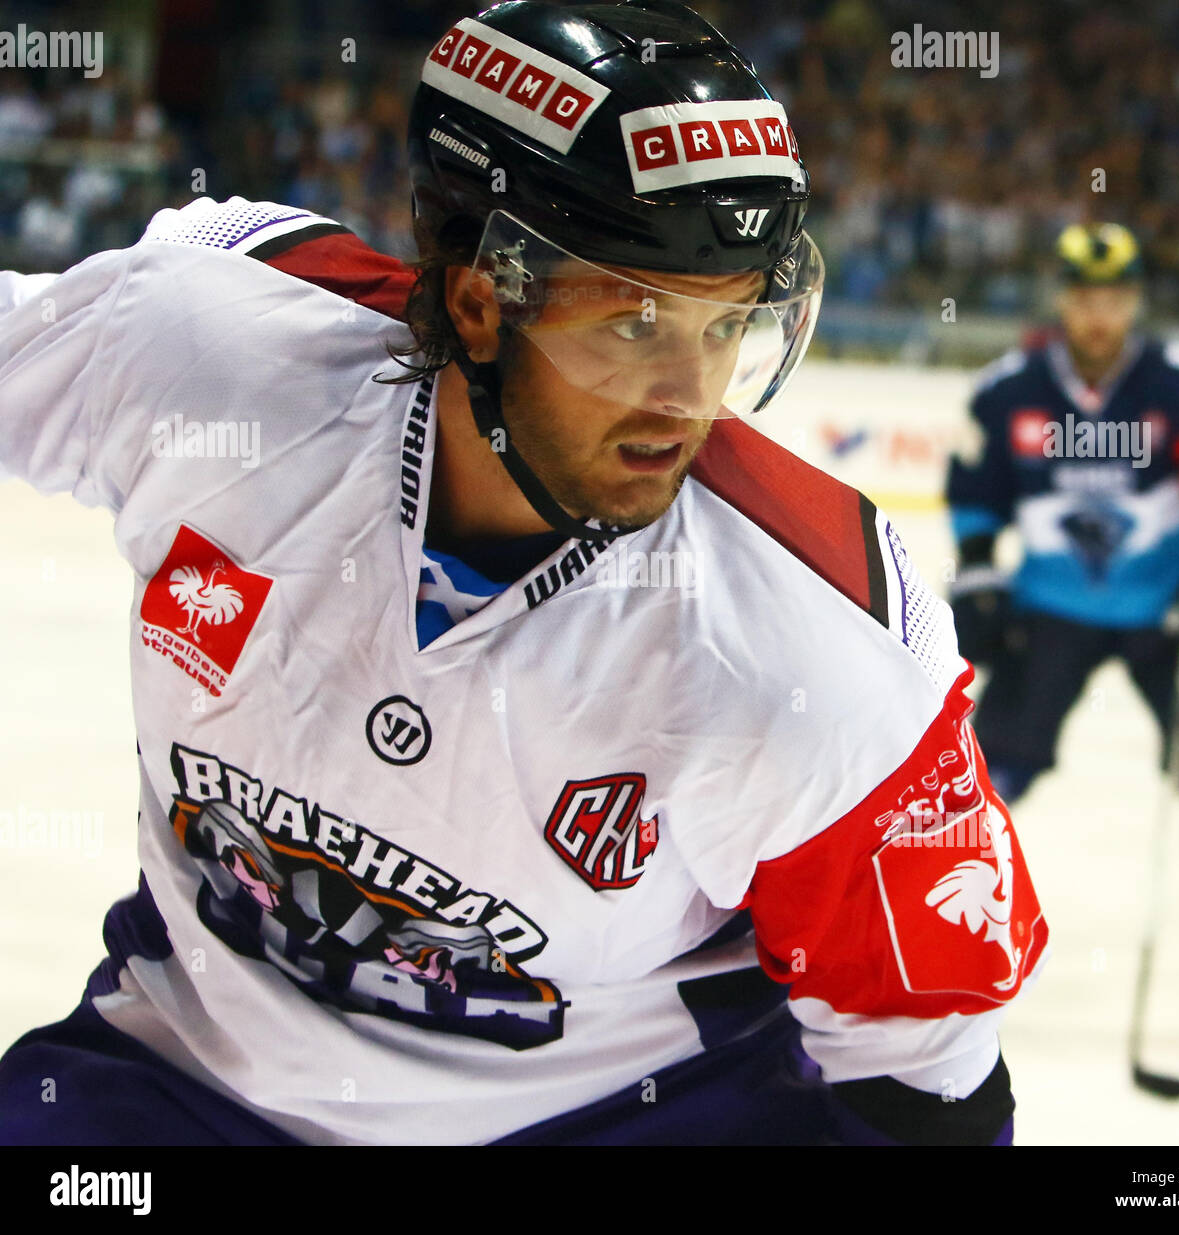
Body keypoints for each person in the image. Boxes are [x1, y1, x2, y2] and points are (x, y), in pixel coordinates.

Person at [0, 0, 1045, 1146]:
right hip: (185, 1084)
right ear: (478, 302)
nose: (688, 395)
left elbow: (923, 1080)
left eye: (726, 324)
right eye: (637, 322)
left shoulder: (817, 650)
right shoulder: (212, 351)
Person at [945, 222, 1179, 1019]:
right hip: (1052, 609)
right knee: (983, 773)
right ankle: (940, 929)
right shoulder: (1007, 389)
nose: (1099, 314)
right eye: (1085, 296)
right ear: (1063, 298)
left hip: (1164, 616)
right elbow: (974, 501)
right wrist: (980, 587)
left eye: (1115, 297)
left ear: (1133, 300)